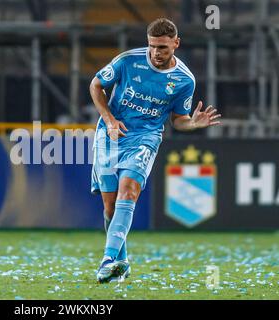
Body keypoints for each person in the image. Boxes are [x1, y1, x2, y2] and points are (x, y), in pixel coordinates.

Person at [89, 18, 221, 283]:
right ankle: (121, 262)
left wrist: (193, 123)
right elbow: (96, 85)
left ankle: (107, 260)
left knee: (129, 191)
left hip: (145, 137)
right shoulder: (127, 61)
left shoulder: (184, 80)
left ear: (176, 43)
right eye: (152, 47)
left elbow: (178, 119)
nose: (156, 53)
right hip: (111, 134)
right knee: (109, 207)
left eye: (162, 48)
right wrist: (110, 119)